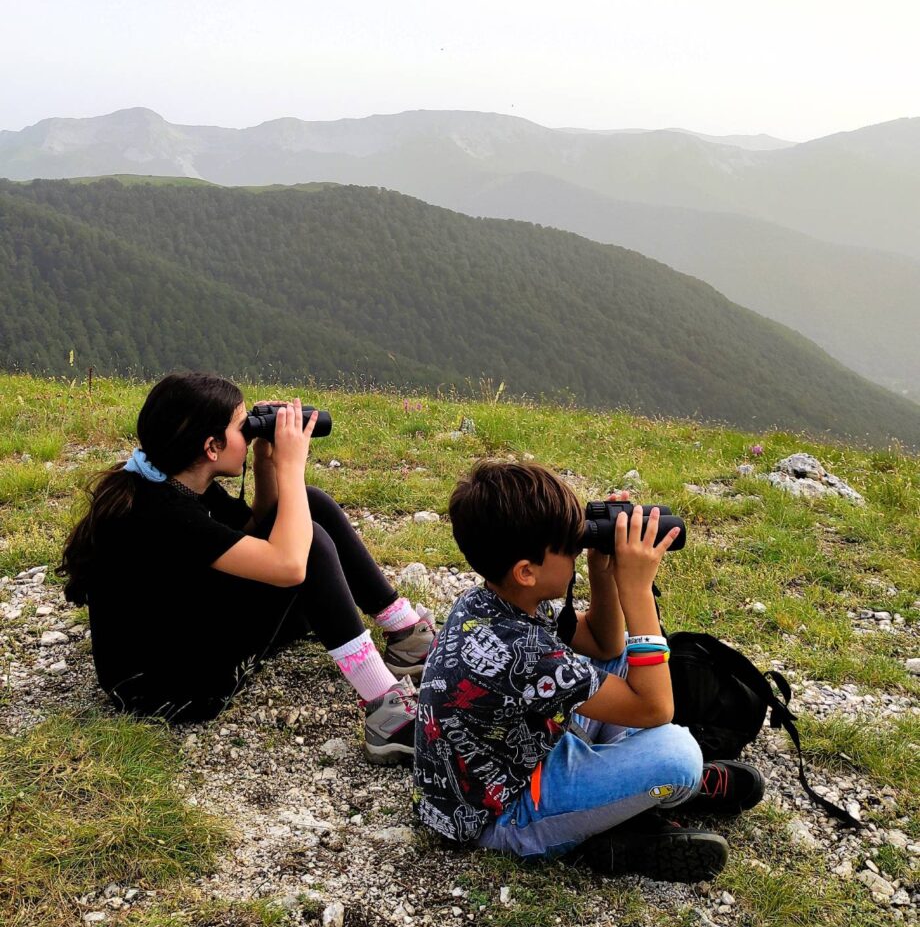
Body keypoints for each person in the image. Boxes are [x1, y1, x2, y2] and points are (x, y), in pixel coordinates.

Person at [58, 371, 434, 764]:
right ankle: (385, 710)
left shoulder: (173, 478)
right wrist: (293, 466)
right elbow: (289, 564)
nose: (251, 432)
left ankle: (404, 632)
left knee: (308, 503)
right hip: (167, 688)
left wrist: (266, 461)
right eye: (243, 427)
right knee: (311, 547)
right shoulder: (164, 515)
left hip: (180, 631)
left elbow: (254, 527)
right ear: (212, 447)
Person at [413, 461, 764, 881]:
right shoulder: (520, 652)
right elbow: (657, 709)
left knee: (622, 662)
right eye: (570, 547)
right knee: (678, 755)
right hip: (503, 816)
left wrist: (603, 571)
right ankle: (620, 821)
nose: (579, 550)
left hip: (527, 750)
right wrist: (635, 589)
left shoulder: (494, 600)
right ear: (526, 572)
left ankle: (623, 797)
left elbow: (604, 645)